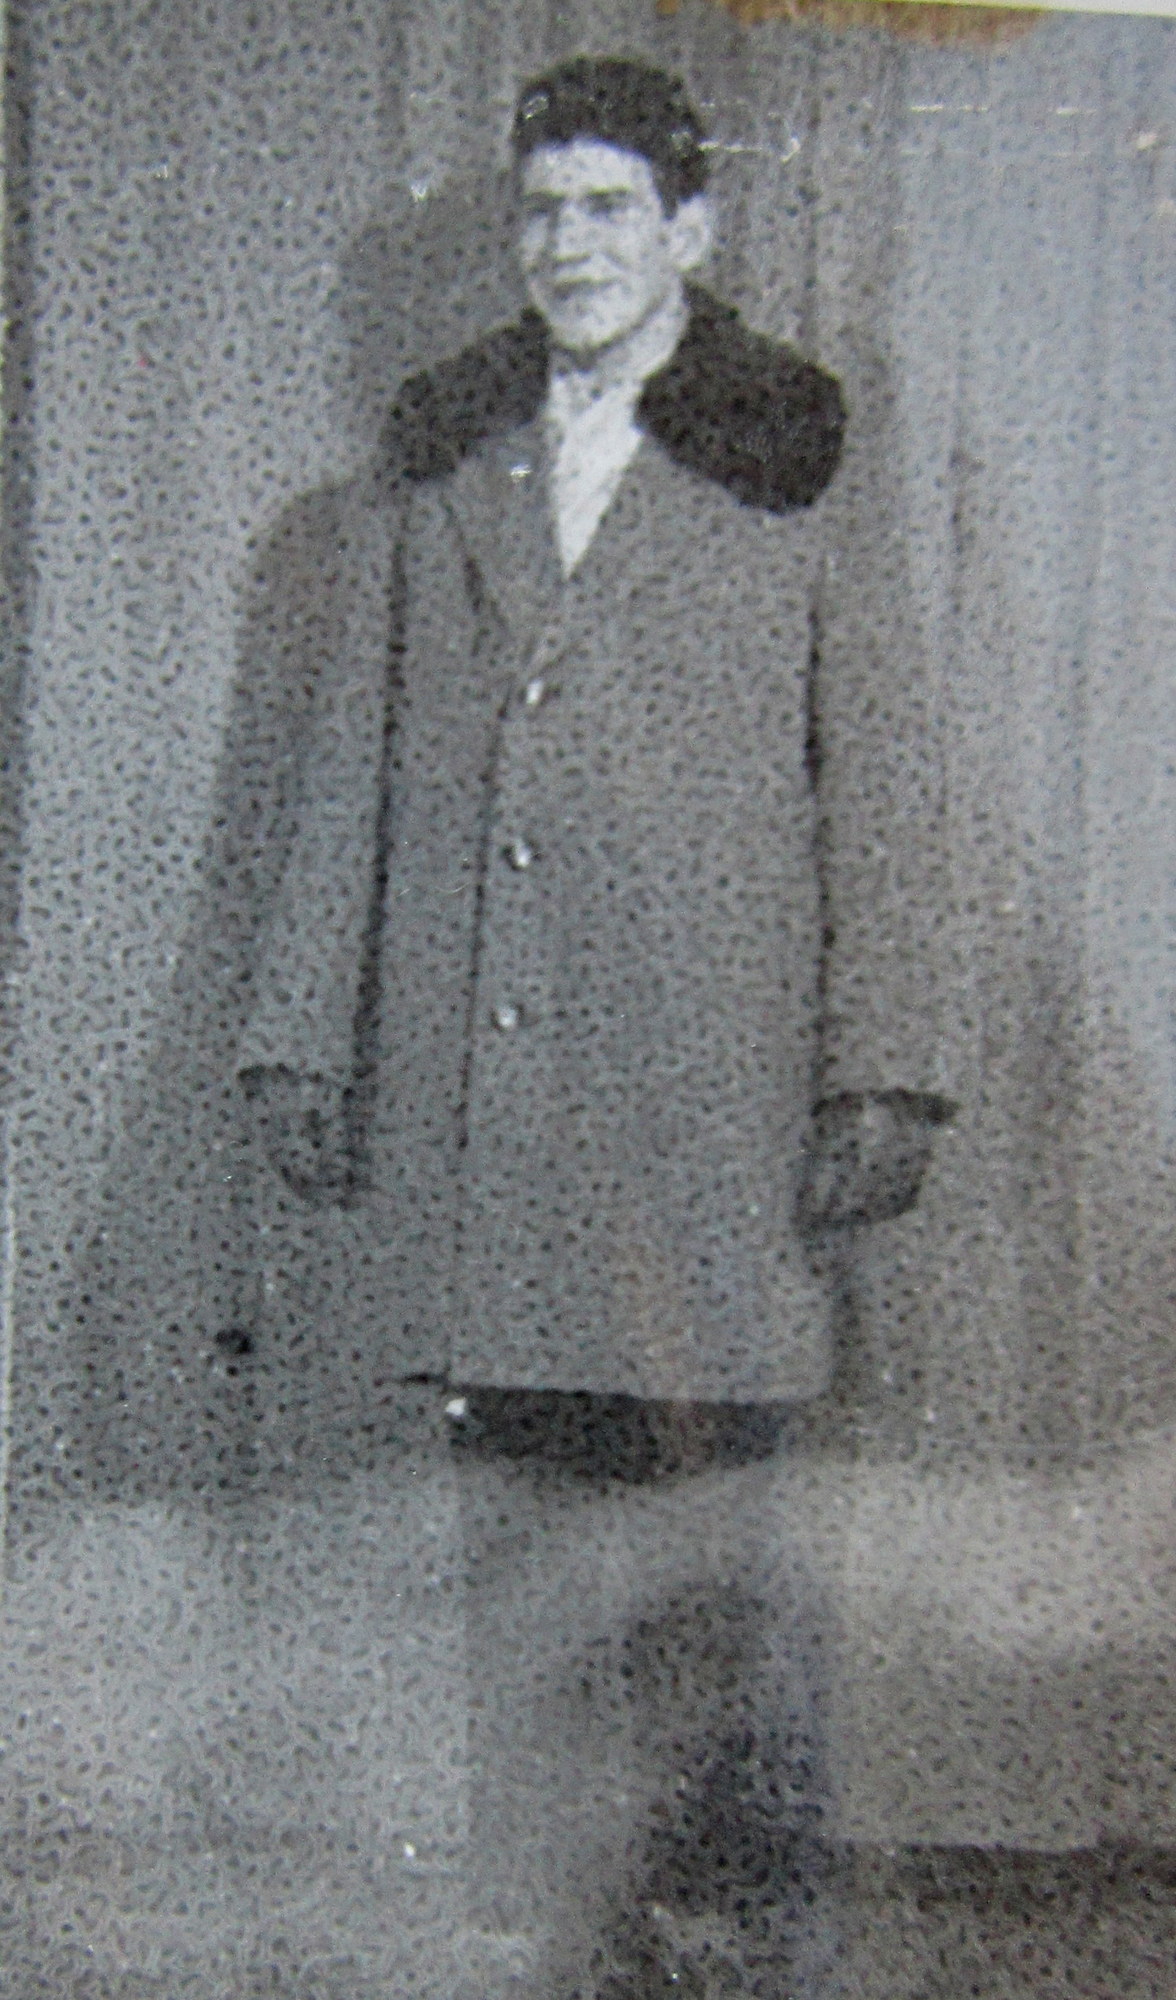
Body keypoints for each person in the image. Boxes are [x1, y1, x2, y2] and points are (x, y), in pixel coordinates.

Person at [239, 56, 952, 1998]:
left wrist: (884, 1059)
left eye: (610, 208)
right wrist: (302, 1034)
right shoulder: (447, 458)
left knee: (714, 1518)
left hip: (713, 1088)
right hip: (494, 1082)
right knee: (525, 1523)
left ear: (689, 230)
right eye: (541, 210)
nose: (569, 246)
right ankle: (566, 1919)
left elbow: (883, 770)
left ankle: (727, 1923)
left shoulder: (793, 451)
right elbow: (352, 767)